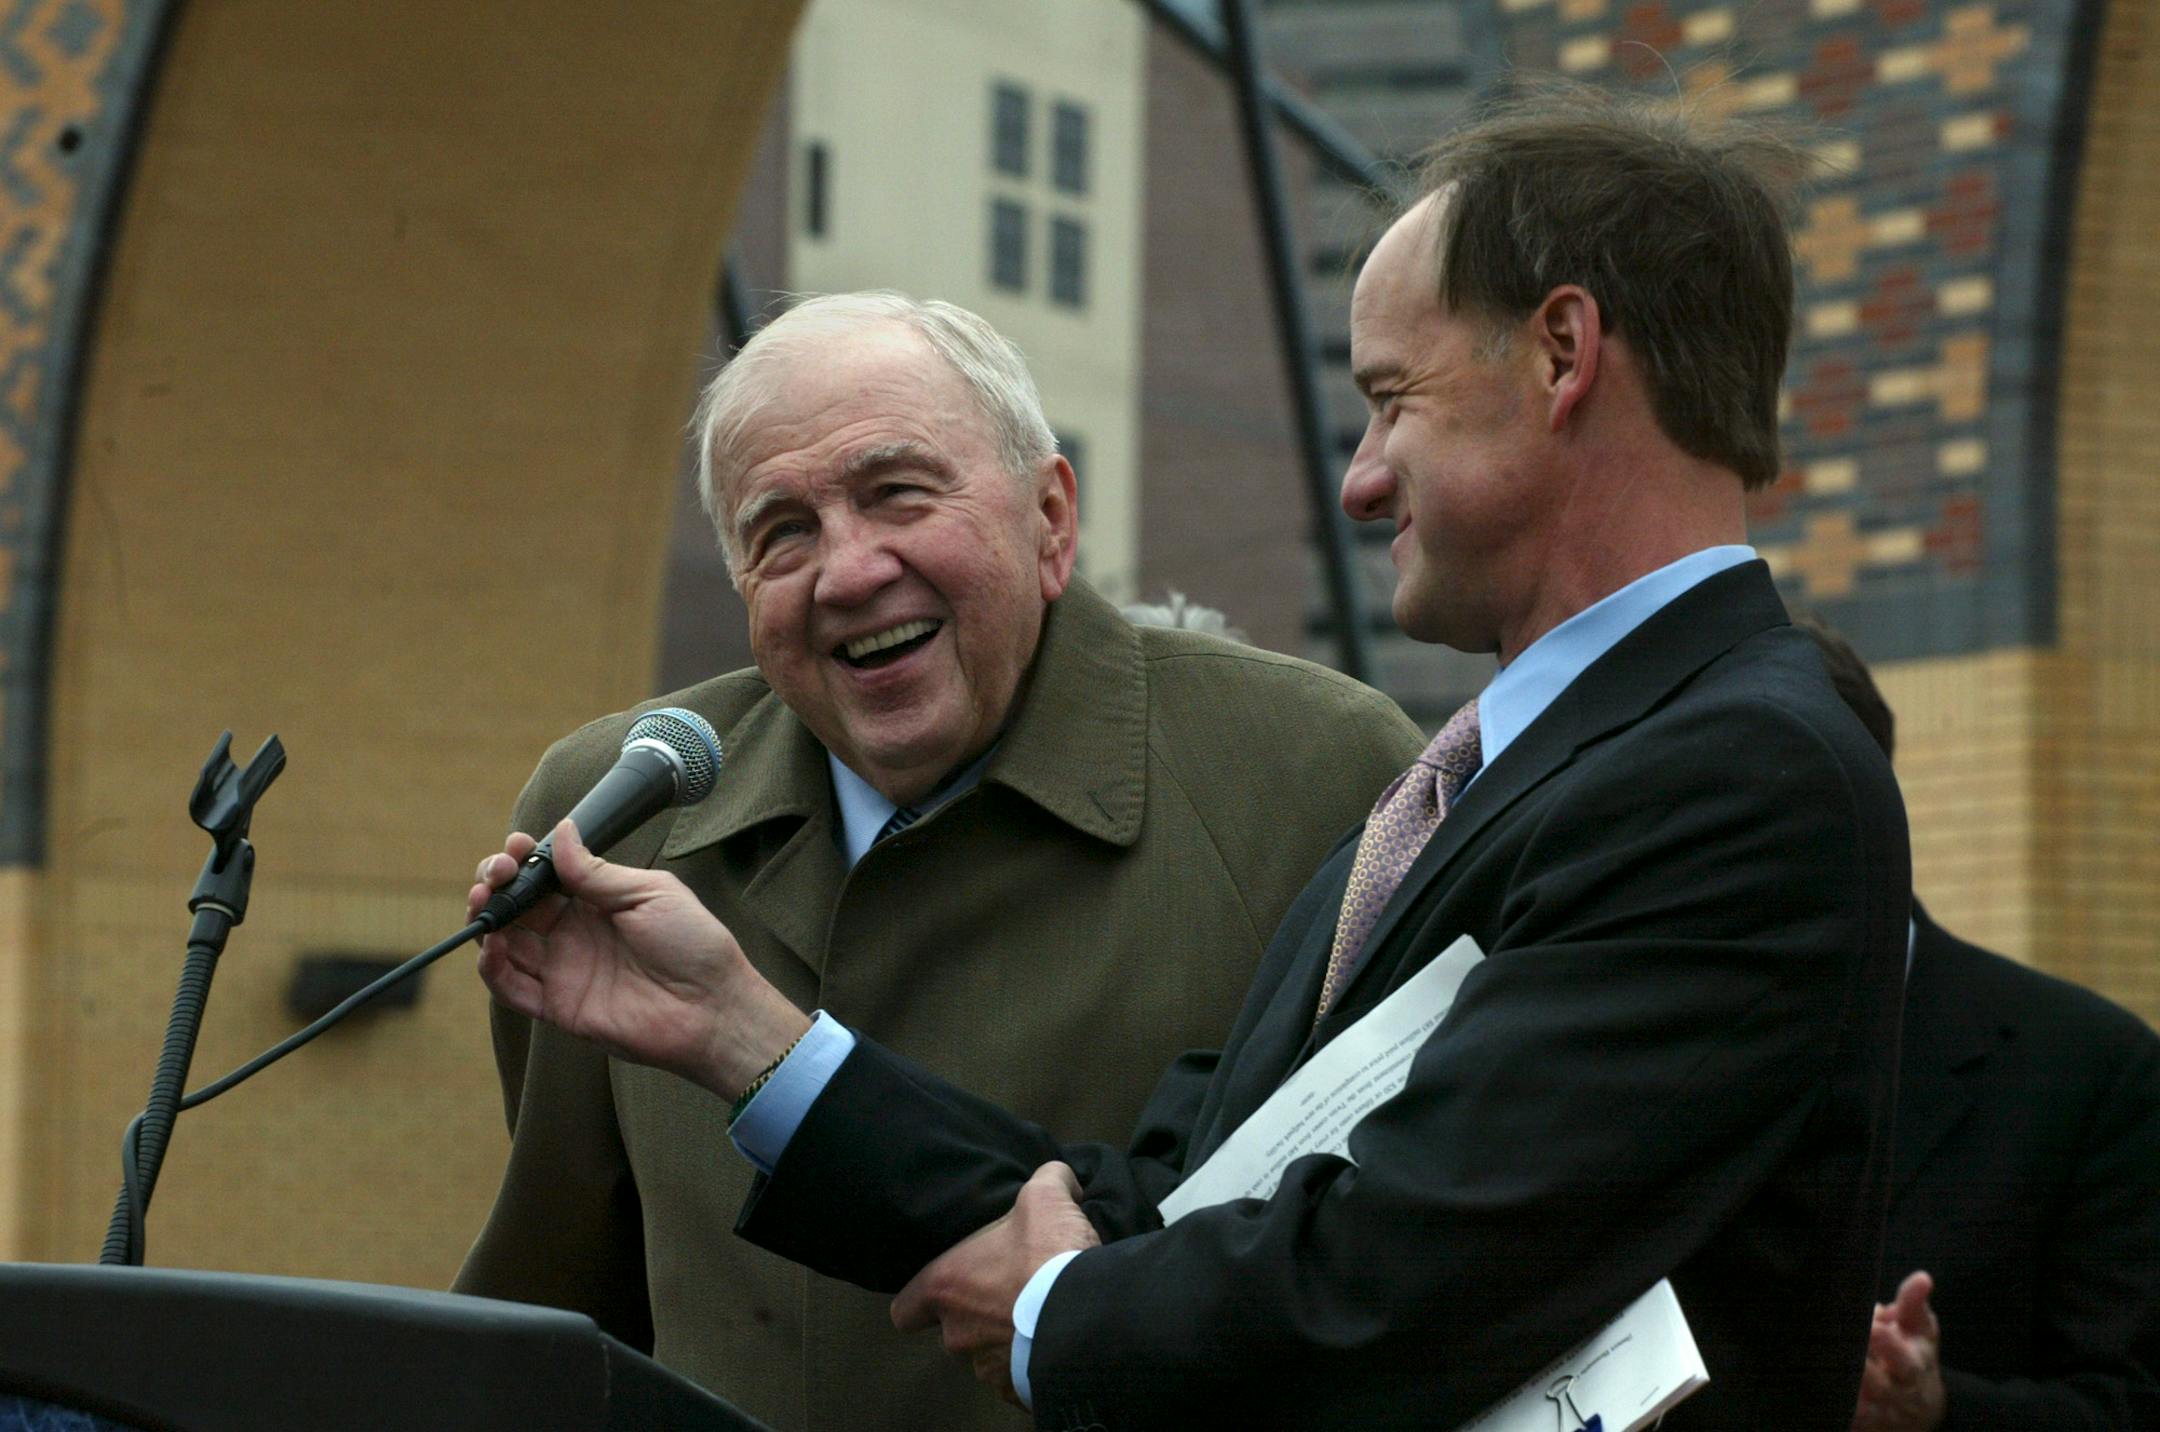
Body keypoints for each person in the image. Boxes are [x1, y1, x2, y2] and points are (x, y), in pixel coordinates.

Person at [469, 89, 1910, 1429]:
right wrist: (746, 1038)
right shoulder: (1507, 773)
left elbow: (1392, 1276)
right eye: (780, 532)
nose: (1357, 475)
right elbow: (1188, 1195)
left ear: (1561, 356)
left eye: (1391, 397)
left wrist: (1052, 1313)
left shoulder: (1733, 776)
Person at [451, 293, 1428, 1431]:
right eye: (783, 531)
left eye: (897, 494)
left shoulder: (1314, 774)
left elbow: (1393, 1266)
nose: (850, 571)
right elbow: (565, 1297)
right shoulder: (615, 812)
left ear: (1052, 519)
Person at [1800, 621, 2160, 1431]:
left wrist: (1935, 1407)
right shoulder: (1616, 1051)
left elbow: (2132, 1401)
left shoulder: (2087, 1072)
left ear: (1857, 808)